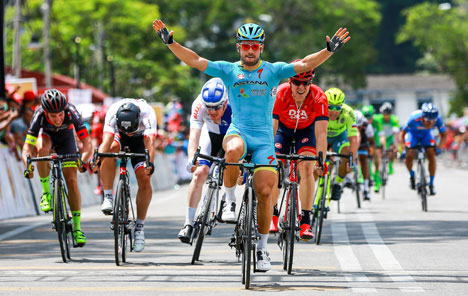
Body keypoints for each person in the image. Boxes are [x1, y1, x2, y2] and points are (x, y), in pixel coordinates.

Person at [153, 19, 350, 271]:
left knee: (266, 193)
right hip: (239, 132)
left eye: (255, 46)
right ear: (238, 48)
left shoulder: (273, 70)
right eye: (245, 46)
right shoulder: (228, 70)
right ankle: (230, 201)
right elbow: (196, 60)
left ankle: (263, 249)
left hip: (265, 140)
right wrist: (171, 44)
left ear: (261, 48)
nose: (250, 50)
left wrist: (329, 51)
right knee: (232, 150)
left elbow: (304, 64)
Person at [22, 89, 92, 246]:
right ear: (46, 112)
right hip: (47, 137)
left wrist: (84, 160)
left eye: (60, 114)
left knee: (72, 181)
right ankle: (46, 193)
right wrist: (27, 164)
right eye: (53, 116)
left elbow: (87, 143)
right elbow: (27, 147)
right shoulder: (39, 114)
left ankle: (77, 228)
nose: (58, 119)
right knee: (42, 149)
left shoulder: (71, 111)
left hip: (67, 139)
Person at [269, 64, 328, 240]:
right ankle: (272, 214)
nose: (301, 87)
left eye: (306, 83)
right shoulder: (280, 92)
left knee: (308, 167)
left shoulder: (319, 96)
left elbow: (321, 133)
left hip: (306, 132)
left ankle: (306, 220)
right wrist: (268, 153)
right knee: (274, 166)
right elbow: (272, 127)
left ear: (311, 82)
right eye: (297, 83)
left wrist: (321, 161)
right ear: (290, 81)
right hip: (282, 131)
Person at [96, 99, 157, 252]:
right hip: (119, 137)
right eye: (126, 130)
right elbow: (106, 142)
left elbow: (150, 145)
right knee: (109, 150)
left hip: (141, 139)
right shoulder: (112, 113)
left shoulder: (148, 114)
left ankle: (139, 228)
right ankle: (108, 196)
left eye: (131, 129)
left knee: (144, 177)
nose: (129, 132)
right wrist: (98, 158)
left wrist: (149, 163)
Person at [178, 77, 234, 243]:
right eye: (208, 108)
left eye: (216, 107)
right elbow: (194, 134)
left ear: (225, 103)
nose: (212, 112)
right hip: (209, 136)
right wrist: (191, 158)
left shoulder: (236, 104)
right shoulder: (198, 105)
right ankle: (188, 223)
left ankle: (228, 199)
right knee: (200, 173)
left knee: (233, 166)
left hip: (231, 137)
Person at [399, 103, 447, 195]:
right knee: (409, 154)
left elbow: (444, 135)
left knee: (431, 154)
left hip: (426, 135)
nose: (431, 124)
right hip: (412, 135)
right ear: (422, 118)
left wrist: (439, 148)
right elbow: (402, 134)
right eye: (428, 121)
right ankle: (412, 175)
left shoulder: (438, 119)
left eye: (433, 122)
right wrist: (403, 148)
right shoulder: (414, 118)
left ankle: (431, 184)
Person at [325, 88, 358, 201]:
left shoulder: (348, 112)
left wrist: (351, 161)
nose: (334, 111)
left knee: (347, 154)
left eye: (338, 108)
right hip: (322, 136)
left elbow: (353, 139)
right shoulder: (319, 109)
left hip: (339, 137)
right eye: (330, 107)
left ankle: (338, 183)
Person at [373, 102, 400, 184]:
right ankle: (377, 173)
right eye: (384, 114)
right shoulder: (377, 118)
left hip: (390, 138)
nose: (386, 116)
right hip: (380, 138)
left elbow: (396, 134)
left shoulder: (394, 120)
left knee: (392, 150)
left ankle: (391, 164)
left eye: (387, 114)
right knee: (378, 154)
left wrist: (396, 145)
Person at [354, 110, 375, 201]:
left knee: (363, 160)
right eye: (356, 127)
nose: (357, 129)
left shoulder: (367, 126)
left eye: (359, 127)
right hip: (350, 140)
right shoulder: (346, 123)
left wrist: (371, 151)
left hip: (363, 142)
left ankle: (366, 189)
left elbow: (371, 141)